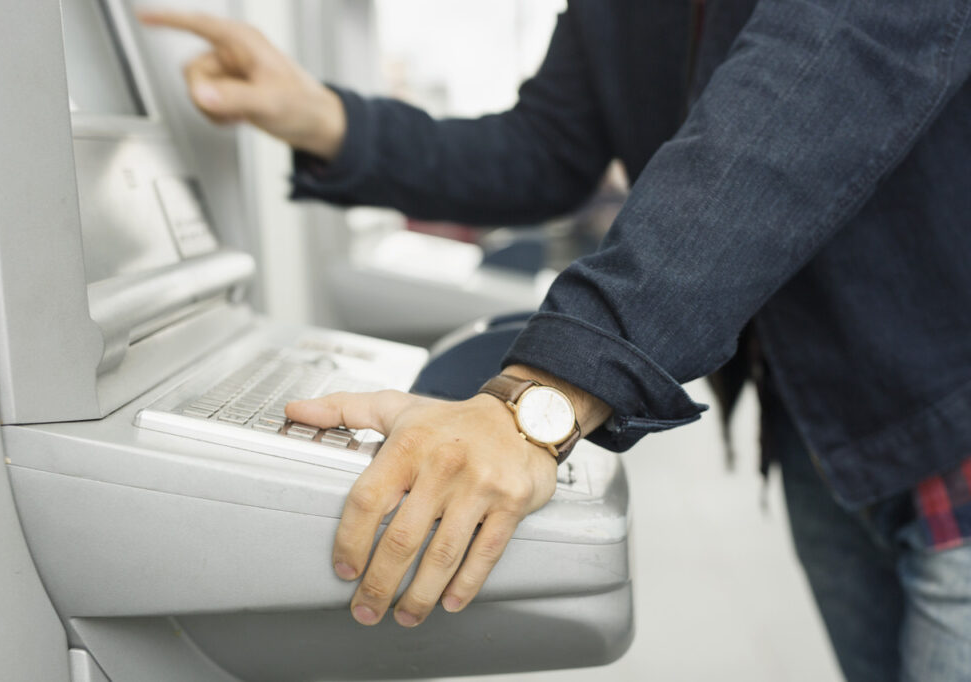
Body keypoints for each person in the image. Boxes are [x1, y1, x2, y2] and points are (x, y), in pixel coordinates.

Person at [141, 2, 971, 679]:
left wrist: (531, 403)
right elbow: (544, 149)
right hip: (832, 431)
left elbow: (807, 95)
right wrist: (323, 118)